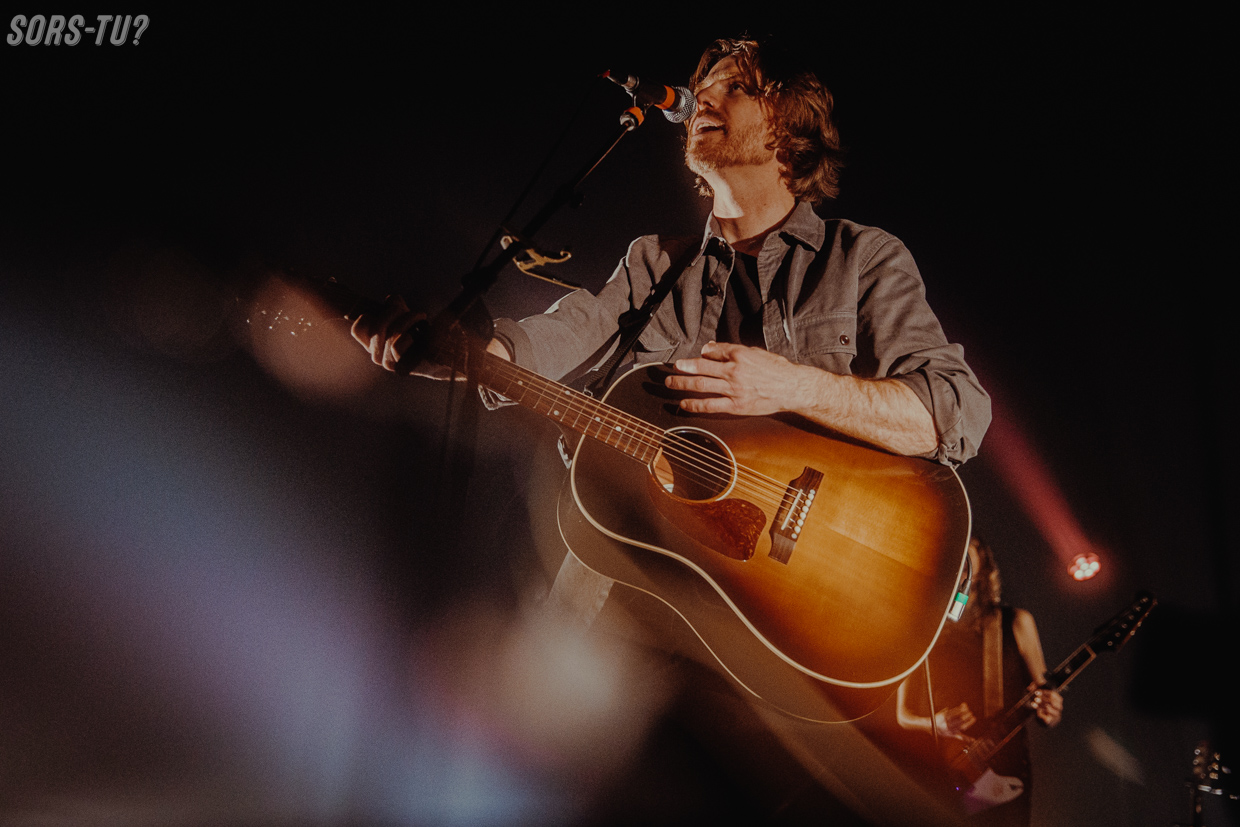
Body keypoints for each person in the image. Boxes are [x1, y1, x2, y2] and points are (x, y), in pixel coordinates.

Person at [351, 36, 991, 623]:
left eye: (734, 87)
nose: (701, 99)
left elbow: (954, 413)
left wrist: (794, 386)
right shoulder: (654, 262)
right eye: (701, 88)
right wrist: (462, 354)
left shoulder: (862, 259)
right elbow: (563, 332)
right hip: (636, 579)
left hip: (797, 600)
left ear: (788, 126)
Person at [896, 536, 1064, 826]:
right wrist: (936, 724)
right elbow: (902, 715)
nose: (959, 559)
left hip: (1004, 772)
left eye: (967, 554)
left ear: (983, 569)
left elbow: (1046, 700)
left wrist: (1052, 709)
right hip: (943, 770)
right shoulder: (924, 626)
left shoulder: (1015, 621)